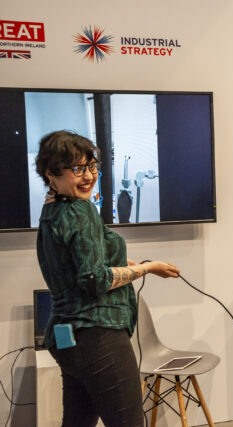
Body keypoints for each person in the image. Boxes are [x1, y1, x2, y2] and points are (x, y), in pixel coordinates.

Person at [35, 130, 181, 427]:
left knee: (77, 422)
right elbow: (95, 279)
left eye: (91, 167)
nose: (88, 176)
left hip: (66, 337)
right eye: (77, 169)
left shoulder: (51, 210)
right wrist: (149, 268)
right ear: (51, 173)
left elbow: (80, 264)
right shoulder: (81, 211)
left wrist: (130, 264)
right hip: (97, 336)